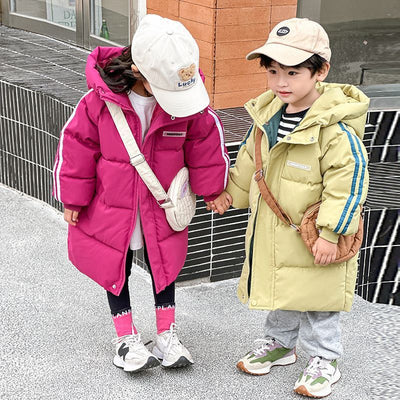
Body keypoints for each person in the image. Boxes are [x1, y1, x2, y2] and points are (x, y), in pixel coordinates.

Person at [53, 14, 229, 373]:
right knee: (113, 264)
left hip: (159, 202)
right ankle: (125, 338)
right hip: (113, 203)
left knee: (163, 263)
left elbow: (204, 142)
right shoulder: (98, 102)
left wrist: (212, 189)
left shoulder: (186, 103)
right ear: (138, 70)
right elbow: (77, 146)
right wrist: (73, 198)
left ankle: (166, 333)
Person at [208, 18, 369, 398]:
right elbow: (250, 161)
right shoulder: (267, 117)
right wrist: (231, 193)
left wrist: (332, 233)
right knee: (283, 288)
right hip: (276, 230)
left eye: (293, 72)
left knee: (318, 299)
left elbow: (349, 184)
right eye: (273, 71)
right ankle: (280, 344)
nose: (281, 82)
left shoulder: (334, 129)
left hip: (316, 236)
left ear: (321, 71)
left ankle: (325, 359)